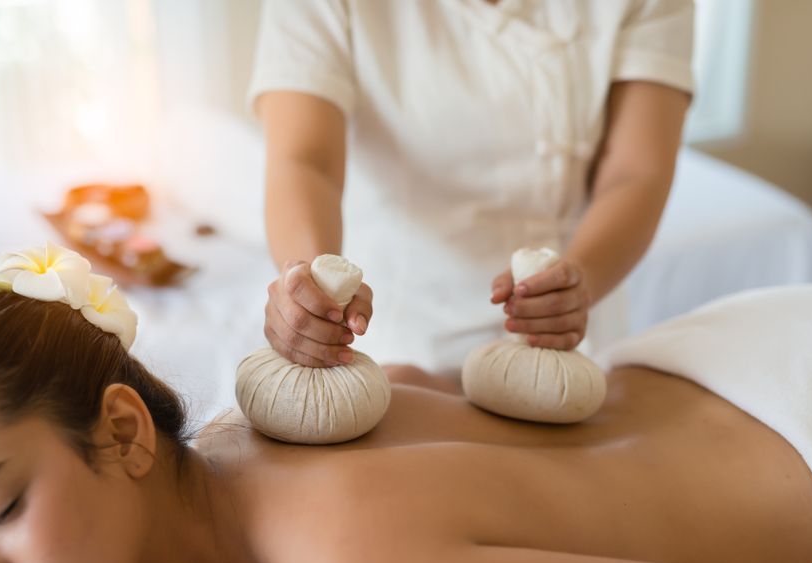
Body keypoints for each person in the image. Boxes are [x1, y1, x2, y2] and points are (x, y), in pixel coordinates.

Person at [0, 263, 812, 563]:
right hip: (730, 347)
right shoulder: (247, 425)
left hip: (802, 425)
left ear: (126, 431)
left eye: (0, 506)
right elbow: (429, 387)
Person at [250, 0, 694, 377]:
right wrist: (310, 289)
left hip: (574, 334)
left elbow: (637, 171)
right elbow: (307, 161)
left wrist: (579, 285)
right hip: (395, 342)